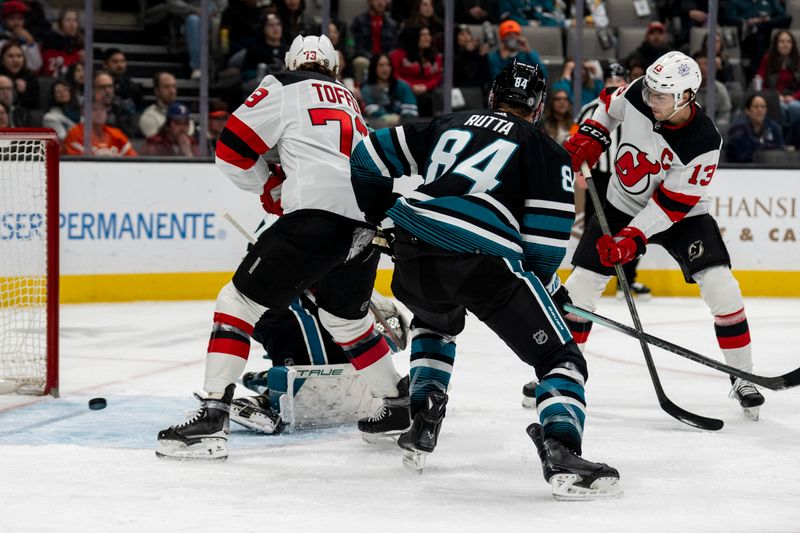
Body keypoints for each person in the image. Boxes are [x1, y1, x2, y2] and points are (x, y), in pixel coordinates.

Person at [349, 60, 621, 499]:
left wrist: (381, 213)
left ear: (493, 96)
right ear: (536, 108)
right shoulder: (546, 149)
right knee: (559, 358)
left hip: (413, 253)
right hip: (483, 262)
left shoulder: (445, 123)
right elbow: (544, 251)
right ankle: (562, 449)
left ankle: (424, 415)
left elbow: (364, 156)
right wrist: (547, 290)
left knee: (435, 323)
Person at [156, 34, 407, 461]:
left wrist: (269, 185)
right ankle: (399, 405)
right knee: (345, 321)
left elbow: (231, 148)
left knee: (236, 302)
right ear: (335, 67)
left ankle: (212, 417)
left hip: (316, 218)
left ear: (293, 61)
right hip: (366, 224)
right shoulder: (350, 100)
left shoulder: (283, 83)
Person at [560, 51, 765, 420]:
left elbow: (670, 206)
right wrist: (593, 134)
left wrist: (632, 238)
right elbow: (609, 105)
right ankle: (563, 372)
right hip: (620, 203)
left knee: (722, 285)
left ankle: (742, 375)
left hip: (682, 215)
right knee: (579, 288)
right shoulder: (641, 93)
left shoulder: (703, 142)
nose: (650, 99)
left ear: (686, 96)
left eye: (661, 96)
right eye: (650, 92)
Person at [389, 25, 442, 116]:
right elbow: (394, 74)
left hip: (428, 92)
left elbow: (437, 77)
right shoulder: (398, 55)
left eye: (429, 35)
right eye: (423, 35)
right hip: (404, 91)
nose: (427, 38)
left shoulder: (436, 56)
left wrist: (425, 87)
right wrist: (411, 86)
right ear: (414, 37)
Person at [754, 30, 800, 133]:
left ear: (792, 44)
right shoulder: (767, 60)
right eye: (782, 41)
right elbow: (760, 82)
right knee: (780, 106)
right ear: (776, 44)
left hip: (793, 97)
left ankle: (793, 138)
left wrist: (793, 97)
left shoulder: (798, 61)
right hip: (773, 96)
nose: (785, 45)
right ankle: (780, 137)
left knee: (794, 107)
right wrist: (775, 96)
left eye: (788, 42)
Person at [361, 52, 418, 128]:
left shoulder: (402, 86)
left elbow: (411, 110)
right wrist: (389, 118)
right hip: (377, 128)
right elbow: (371, 111)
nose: (385, 68)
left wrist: (401, 121)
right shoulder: (367, 88)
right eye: (381, 65)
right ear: (374, 67)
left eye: (388, 65)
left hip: (403, 128)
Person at [62, 100, 138, 157]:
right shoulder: (75, 133)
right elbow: (76, 166)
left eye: (103, 109)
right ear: (84, 112)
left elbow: (134, 160)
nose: (99, 112)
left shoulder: (116, 134)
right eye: (94, 109)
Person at [350, 0, 399, 85]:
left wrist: (384, 59)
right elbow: (357, 47)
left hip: (386, 58)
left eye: (384, 0)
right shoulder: (358, 21)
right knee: (360, 62)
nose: (380, 2)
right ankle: (360, 93)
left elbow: (394, 47)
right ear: (369, 1)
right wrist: (375, 60)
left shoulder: (392, 24)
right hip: (366, 58)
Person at [725, 93, 784, 162]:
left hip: (769, 168)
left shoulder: (774, 128)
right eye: (756, 107)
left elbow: (780, 152)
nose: (760, 110)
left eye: (763, 107)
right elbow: (741, 154)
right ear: (748, 111)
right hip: (742, 168)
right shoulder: (738, 128)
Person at [140, 71, 194, 139]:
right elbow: (155, 145)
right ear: (156, 90)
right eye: (166, 87)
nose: (171, 91)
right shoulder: (149, 116)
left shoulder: (184, 114)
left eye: (173, 86)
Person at [92, 70, 138, 139]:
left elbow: (133, 136)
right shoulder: (86, 110)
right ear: (93, 89)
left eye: (110, 86)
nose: (107, 91)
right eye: (102, 87)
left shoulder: (124, 109)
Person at [0, 0, 42, 74]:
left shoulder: (27, 39)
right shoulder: (1, 40)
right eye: (12, 18)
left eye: (20, 18)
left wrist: (30, 42)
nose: (16, 22)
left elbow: (35, 66)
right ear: (5, 20)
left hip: (23, 77)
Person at [40, 7, 83, 77]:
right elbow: (51, 66)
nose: (72, 24)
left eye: (75, 20)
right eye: (68, 20)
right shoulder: (51, 39)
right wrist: (77, 57)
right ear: (61, 22)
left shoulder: (80, 41)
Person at [103, 48, 143, 112]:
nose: (120, 65)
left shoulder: (132, 87)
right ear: (105, 65)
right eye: (115, 62)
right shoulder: (98, 85)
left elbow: (138, 111)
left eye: (122, 61)